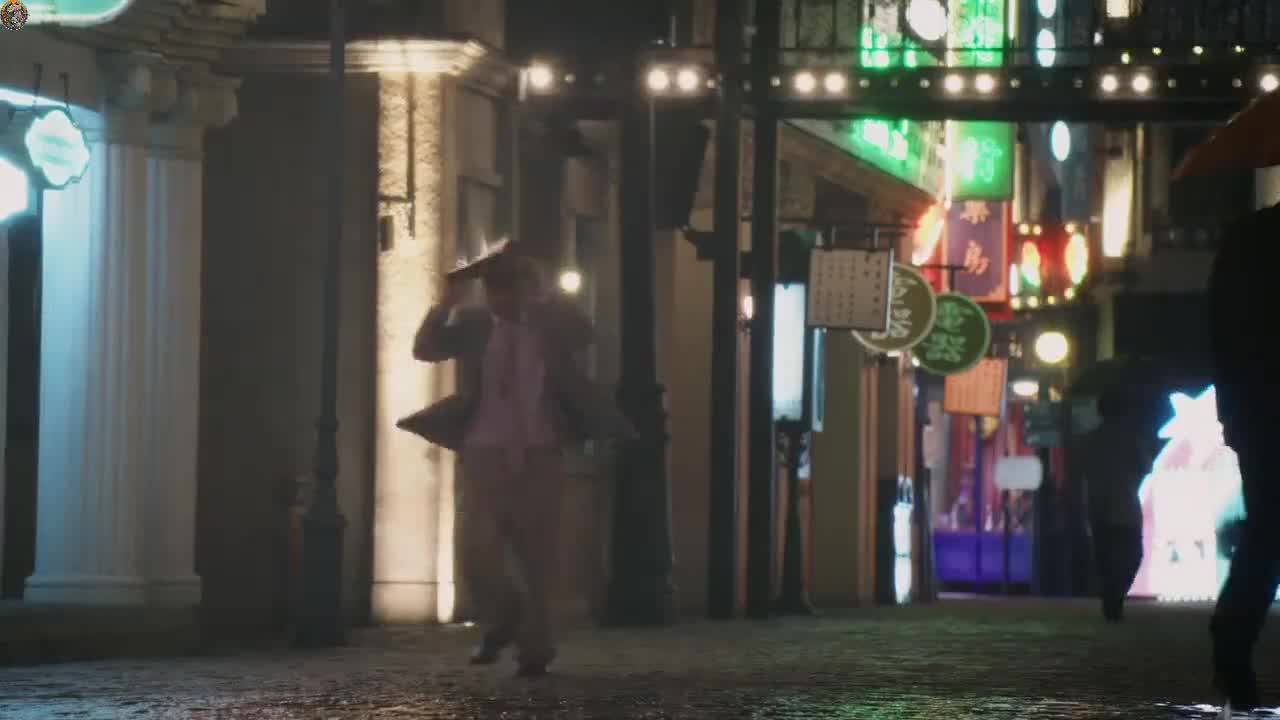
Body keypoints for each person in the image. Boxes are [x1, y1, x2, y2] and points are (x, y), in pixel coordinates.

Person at [401, 246, 635, 679]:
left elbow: (585, 333)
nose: (503, 298)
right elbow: (425, 348)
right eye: (495, 289)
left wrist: (548, 297)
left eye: (512, 287)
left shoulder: (552, 324)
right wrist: (448, 300)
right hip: (485, 447)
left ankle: (536, 646)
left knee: (540, 554)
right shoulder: (475, 324)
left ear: (530, 288)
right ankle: (505, 613)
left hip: (541, 449)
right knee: (476, 547)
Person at [1207, 203, 1280, 712]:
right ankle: (1232, 635)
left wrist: (1231, 410)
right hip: (1260, 407)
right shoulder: (1252, 238)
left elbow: (1222, 331)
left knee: (1268, 529)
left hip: (1258, 409)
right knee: (1270, 530)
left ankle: (1233, 637)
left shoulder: (1249, 236)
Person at [1076, 387, 1154, 622]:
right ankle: (1116, 595)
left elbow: (1080, 471)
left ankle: (1111, 598)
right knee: (1132, 554)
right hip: (1125, 506)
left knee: (1104, 558)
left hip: (1098, 506)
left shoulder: (1090, 439)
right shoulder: (1131, 438)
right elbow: (1146, 466)